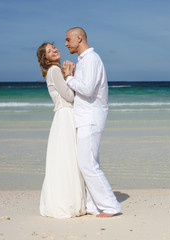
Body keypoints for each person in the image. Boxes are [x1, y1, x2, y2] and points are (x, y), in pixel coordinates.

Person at [63, 27, 122, 218]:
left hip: (90, 117)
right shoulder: (85, 61)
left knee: (88, 164)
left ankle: (111, 206)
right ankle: (93, 206)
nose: (65, 44)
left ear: (78, 39)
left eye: (67, 40)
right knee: (89, 162)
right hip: (86, 117)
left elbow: (87, 89)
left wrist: (68, 78)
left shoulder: (91, 59)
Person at [36, 42, 86, 218]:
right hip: (66, 116)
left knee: (66, 159)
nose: (54, 50)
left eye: (54, 48)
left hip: (63, 117)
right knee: (69, 158)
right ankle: (69, 202)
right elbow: (69, 96)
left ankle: (68, 199)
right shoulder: (55, 71)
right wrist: (70, 74)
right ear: (46, 58)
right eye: (49, 51)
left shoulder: (54, 71)